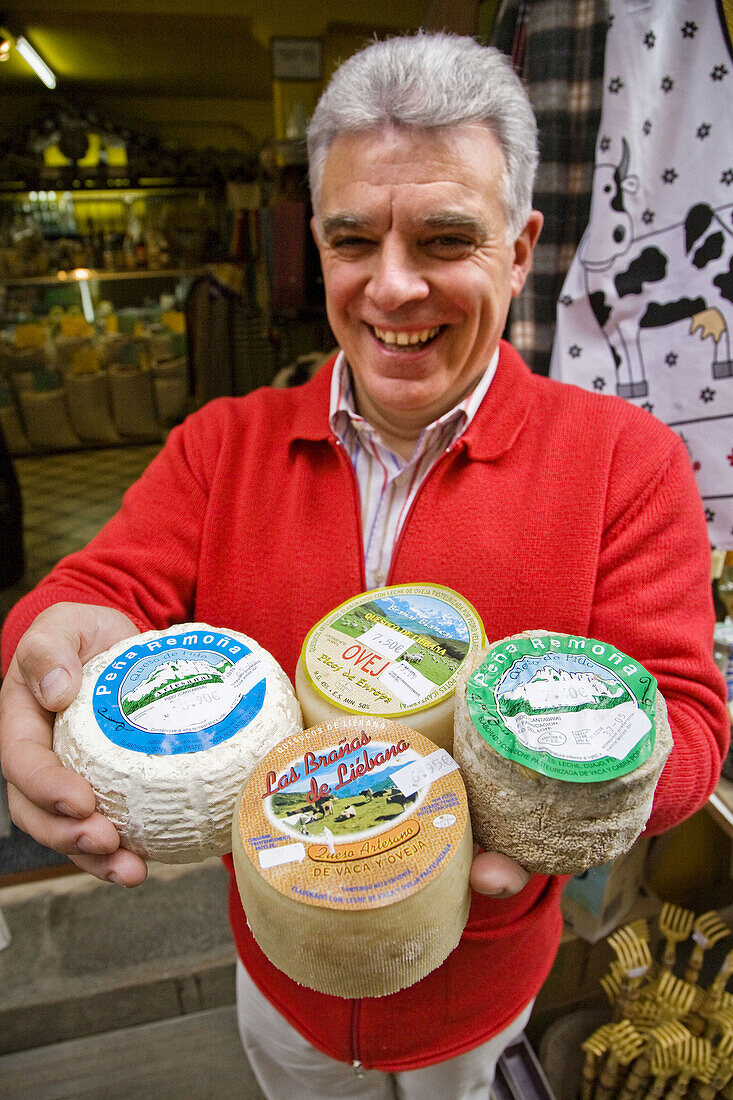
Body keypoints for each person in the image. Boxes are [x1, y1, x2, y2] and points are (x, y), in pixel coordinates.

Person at [0, 32, 729, 1100]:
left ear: (520, 249)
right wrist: (40, 644)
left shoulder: (625, 463)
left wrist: (562, 797)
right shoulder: (222, 443)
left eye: (444, 239)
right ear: (319, 242)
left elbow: (691, 721)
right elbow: (100, 590)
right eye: (353, 241)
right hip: (283, 979)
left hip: (477, 993)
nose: (391, 288)